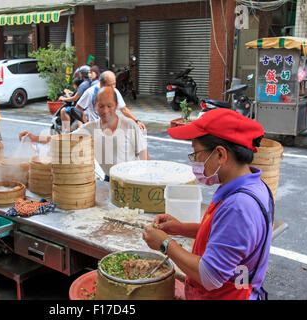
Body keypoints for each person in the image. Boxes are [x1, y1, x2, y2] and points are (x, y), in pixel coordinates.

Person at [142, 108, 274, 300]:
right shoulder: (252, 184)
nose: (195, 161)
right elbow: (226, 236)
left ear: (220, 154)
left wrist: (164, 243)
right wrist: (180, 228)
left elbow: (210, 275)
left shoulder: (239, 206)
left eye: (197, 154)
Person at [20, 86, 149, 178]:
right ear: (95, 106)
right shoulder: (90, 128)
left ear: (116, 105)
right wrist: (33, 137)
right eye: (101, 106)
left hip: (134, 179)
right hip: (110, 182)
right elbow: (64, 138)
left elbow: (145, 158)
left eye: (109, 106)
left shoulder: (130, 125)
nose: (105, 111)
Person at [75, 71, 146, 131]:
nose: (113, 87)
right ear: (101, 84)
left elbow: (124, 109)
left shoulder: (115, 92)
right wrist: (86, 123)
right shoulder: (90, 92)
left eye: (114, 84)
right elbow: (78, 108)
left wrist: (136, 121)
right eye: (109, 85)